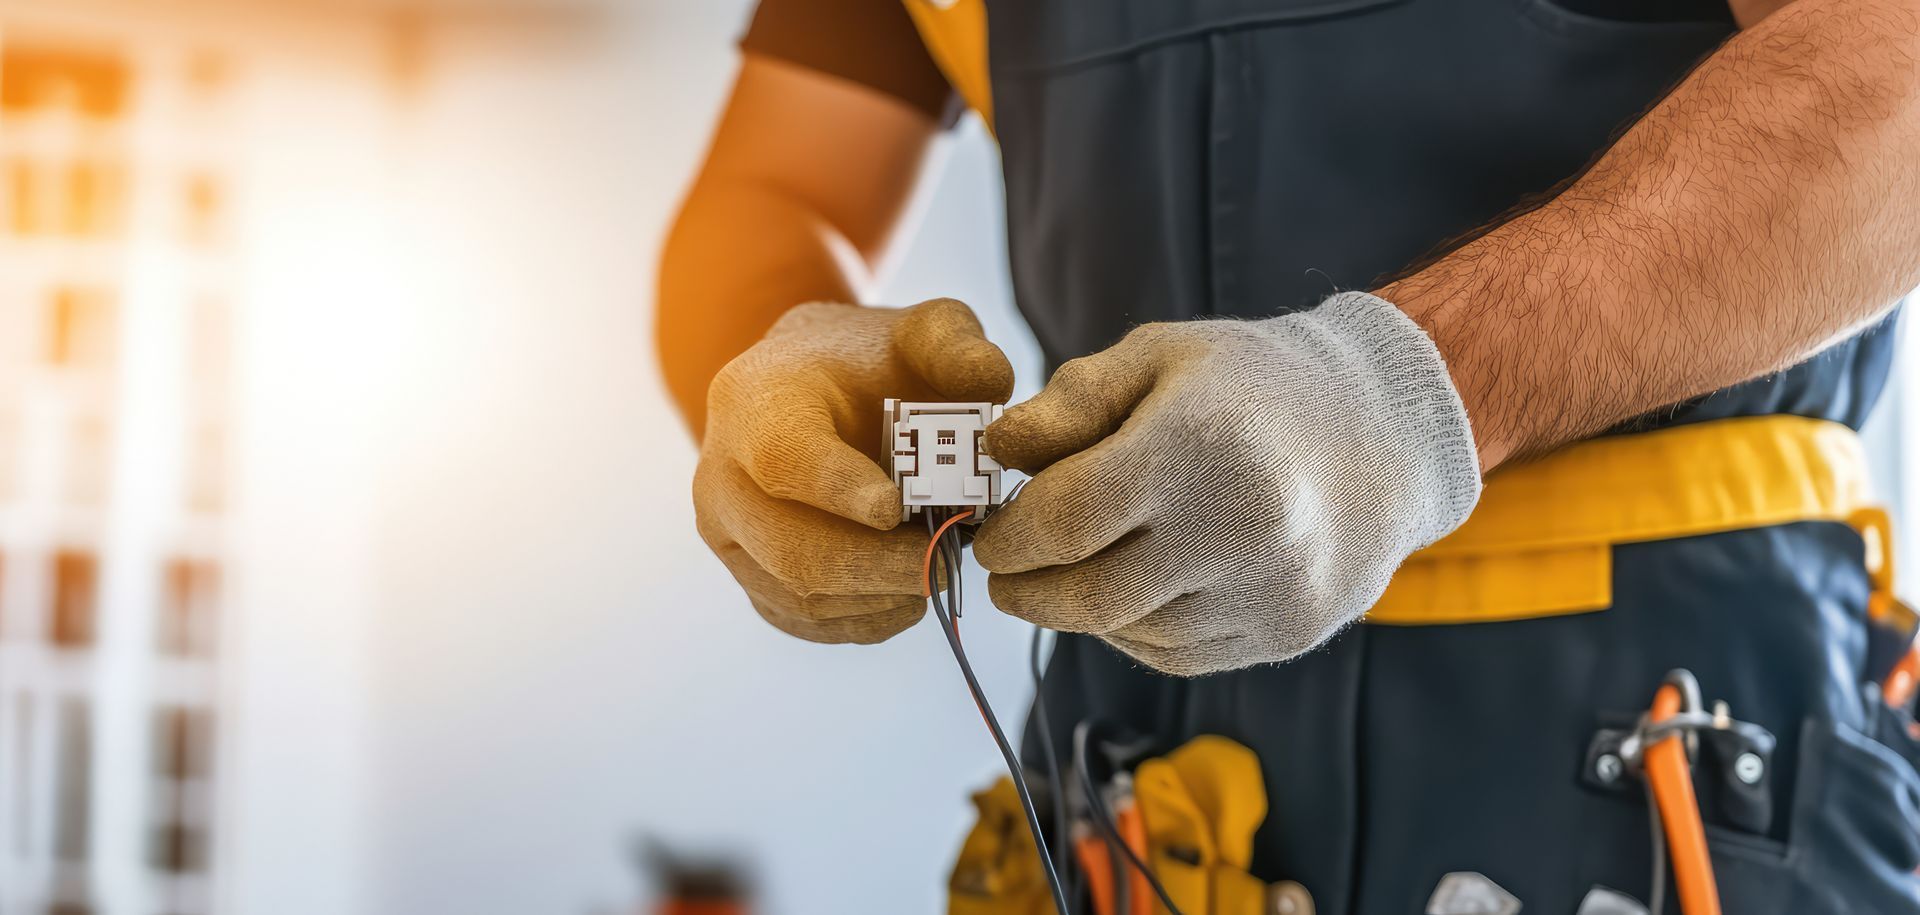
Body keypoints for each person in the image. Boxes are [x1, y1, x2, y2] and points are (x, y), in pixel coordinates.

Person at [657, 0, 1920, 910]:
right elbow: (773, 196)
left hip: (1668, 719)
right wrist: (767, 360)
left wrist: (1407, 393)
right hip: (1140, 761)